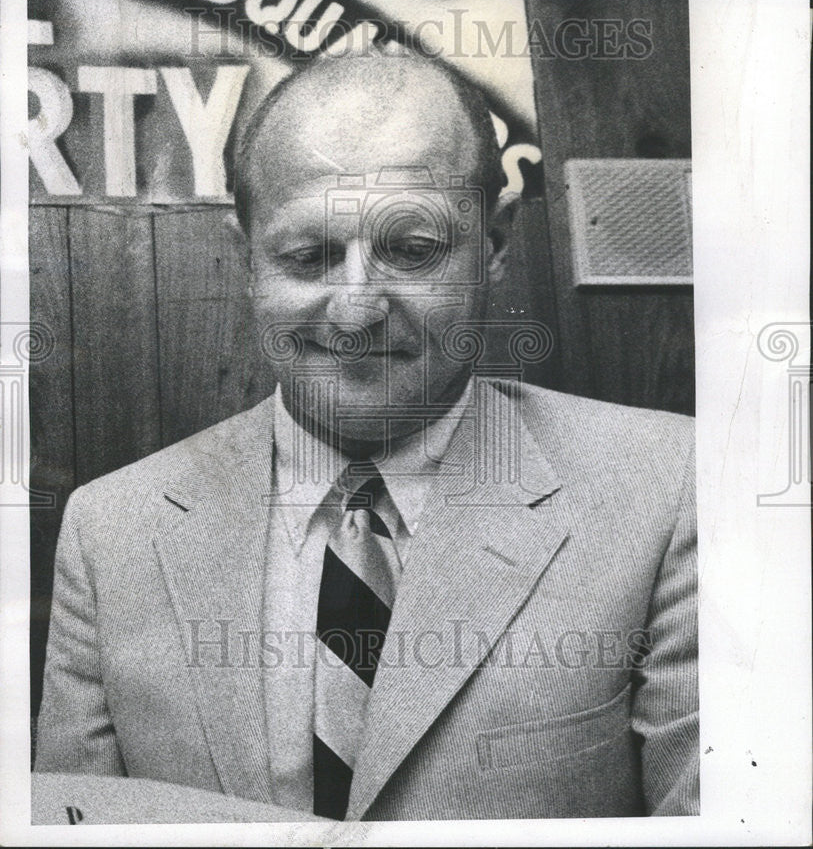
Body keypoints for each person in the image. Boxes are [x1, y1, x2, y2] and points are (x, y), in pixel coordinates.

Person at [35, 52, 698, 821]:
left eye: (412, 250)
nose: (355, 311)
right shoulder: (112, 529)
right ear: (244, 260)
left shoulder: (663, 491)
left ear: (494, 242)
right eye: (309, 256)